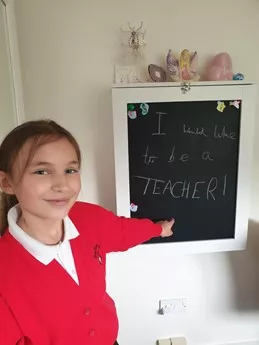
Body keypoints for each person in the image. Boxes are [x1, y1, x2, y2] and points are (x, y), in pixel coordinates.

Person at [0, 120, 174, 345]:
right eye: (41, 171)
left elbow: (121, 231)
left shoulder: (89, 218)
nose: (61, 184)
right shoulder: (5, 268)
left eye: (70, 170)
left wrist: (157, 229)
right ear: (7, 182)